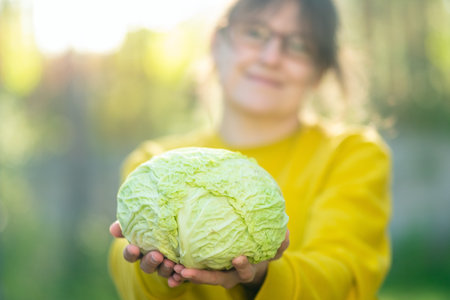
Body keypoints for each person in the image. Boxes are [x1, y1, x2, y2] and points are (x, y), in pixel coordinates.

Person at [108, 0, 392, 299]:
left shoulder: (350, 153)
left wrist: (263, 276)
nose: (271, 57)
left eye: (298, 45)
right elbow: (126, 273)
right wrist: (156, 270)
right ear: (218, 43)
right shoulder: (152, 161)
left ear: (320, 70)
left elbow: (344, 274)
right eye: (255, 33)